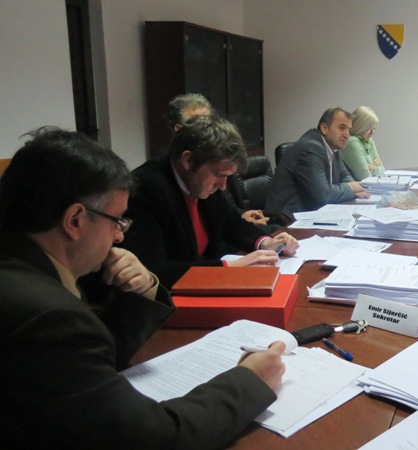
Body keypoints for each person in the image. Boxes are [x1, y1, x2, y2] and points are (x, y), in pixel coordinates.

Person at [0, 127, 287, 449]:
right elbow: (156, 438)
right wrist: (250, 382)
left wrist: (143, 291)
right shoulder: (47, 317)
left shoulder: (23, 275)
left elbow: (93, 362)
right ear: (75, 220)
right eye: (116, 220)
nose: (120, 236)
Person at [122, 115, 299, 288]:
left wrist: (265, 242)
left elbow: (232, 223)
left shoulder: (201, 179)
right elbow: (152, 270)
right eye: (219, 175)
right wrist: (229, 268)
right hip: (169, 298)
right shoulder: (145, 188)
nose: (223, 186)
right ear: (188, 160)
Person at [167, 93, 271, 227]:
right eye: (197, 124)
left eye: (208, 122)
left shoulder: (218, 165)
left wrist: (240, 217)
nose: (207, 129)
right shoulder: (162, 181)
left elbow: (224, 211)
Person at [264, 107, 370, 218]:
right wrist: (351, 188)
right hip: (288, 217)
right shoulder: (310, 148)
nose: (347, 134)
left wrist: (356, 188)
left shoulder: (333, 147)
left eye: (349, 130)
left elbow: (344, 175)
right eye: (342, 128)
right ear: (324, 128)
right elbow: (324, 194)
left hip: (314, 210)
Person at [341, 106, 385, 180]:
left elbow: (383, 170)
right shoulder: (352, 142)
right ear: (359, 126)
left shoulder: (369, 141)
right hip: (358, 186)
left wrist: (374, 169)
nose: (372, 133)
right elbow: (366, 178)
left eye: (374, 128)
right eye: (369, 129)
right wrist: (376, 169)